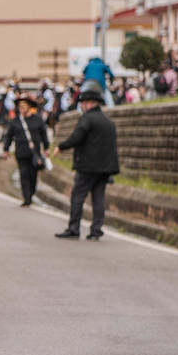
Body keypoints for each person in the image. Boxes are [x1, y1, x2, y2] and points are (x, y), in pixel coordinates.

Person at [50, 80, 119, 240]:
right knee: (98, 199)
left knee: (77, 197)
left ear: (88, 103)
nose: (81, 106)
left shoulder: (87, 119)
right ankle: (96, 230)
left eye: (82, 103)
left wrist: (61, 146)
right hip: (104, 168)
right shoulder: (108, 122)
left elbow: (76, 137)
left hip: (88, 167)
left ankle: (74, 228)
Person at [1, 93, 50, 207]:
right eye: (20, 105)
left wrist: (46, 148)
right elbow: (9, 136)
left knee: (33, 175)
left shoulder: (37, 120)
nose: (22, 107)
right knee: (24, 174)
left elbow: (44, 135)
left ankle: (31, 193)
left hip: (35, 153)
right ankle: (26, 197)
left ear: (29, 106)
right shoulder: (15, 121)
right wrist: (6, 150)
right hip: (21, 152)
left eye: (24, 105)